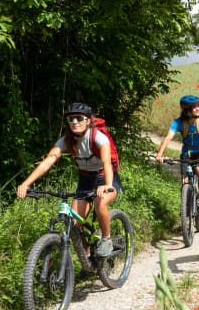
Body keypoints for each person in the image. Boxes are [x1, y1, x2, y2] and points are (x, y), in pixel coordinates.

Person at [17, 102, 121, 257]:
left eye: (79, 118)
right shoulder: (66, 140)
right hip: (86, 179)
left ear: (88, 120)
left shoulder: (99, 138)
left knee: (100, 203)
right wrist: (26, 183)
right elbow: (48, 161)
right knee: (74, 225)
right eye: (71, 119)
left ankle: (106, 239)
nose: (75, 122)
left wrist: (107, 185)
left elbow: (107, 162)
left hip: (104, 176)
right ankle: (87, 260)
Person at [155, 95, 199, 210]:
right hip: (187, 152)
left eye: (198, 106)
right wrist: (159, 155)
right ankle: (186, 204)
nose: (198, 109)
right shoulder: (179, 122)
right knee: (185, 179)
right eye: (194, 107)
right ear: (187, 111)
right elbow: (168, 138)